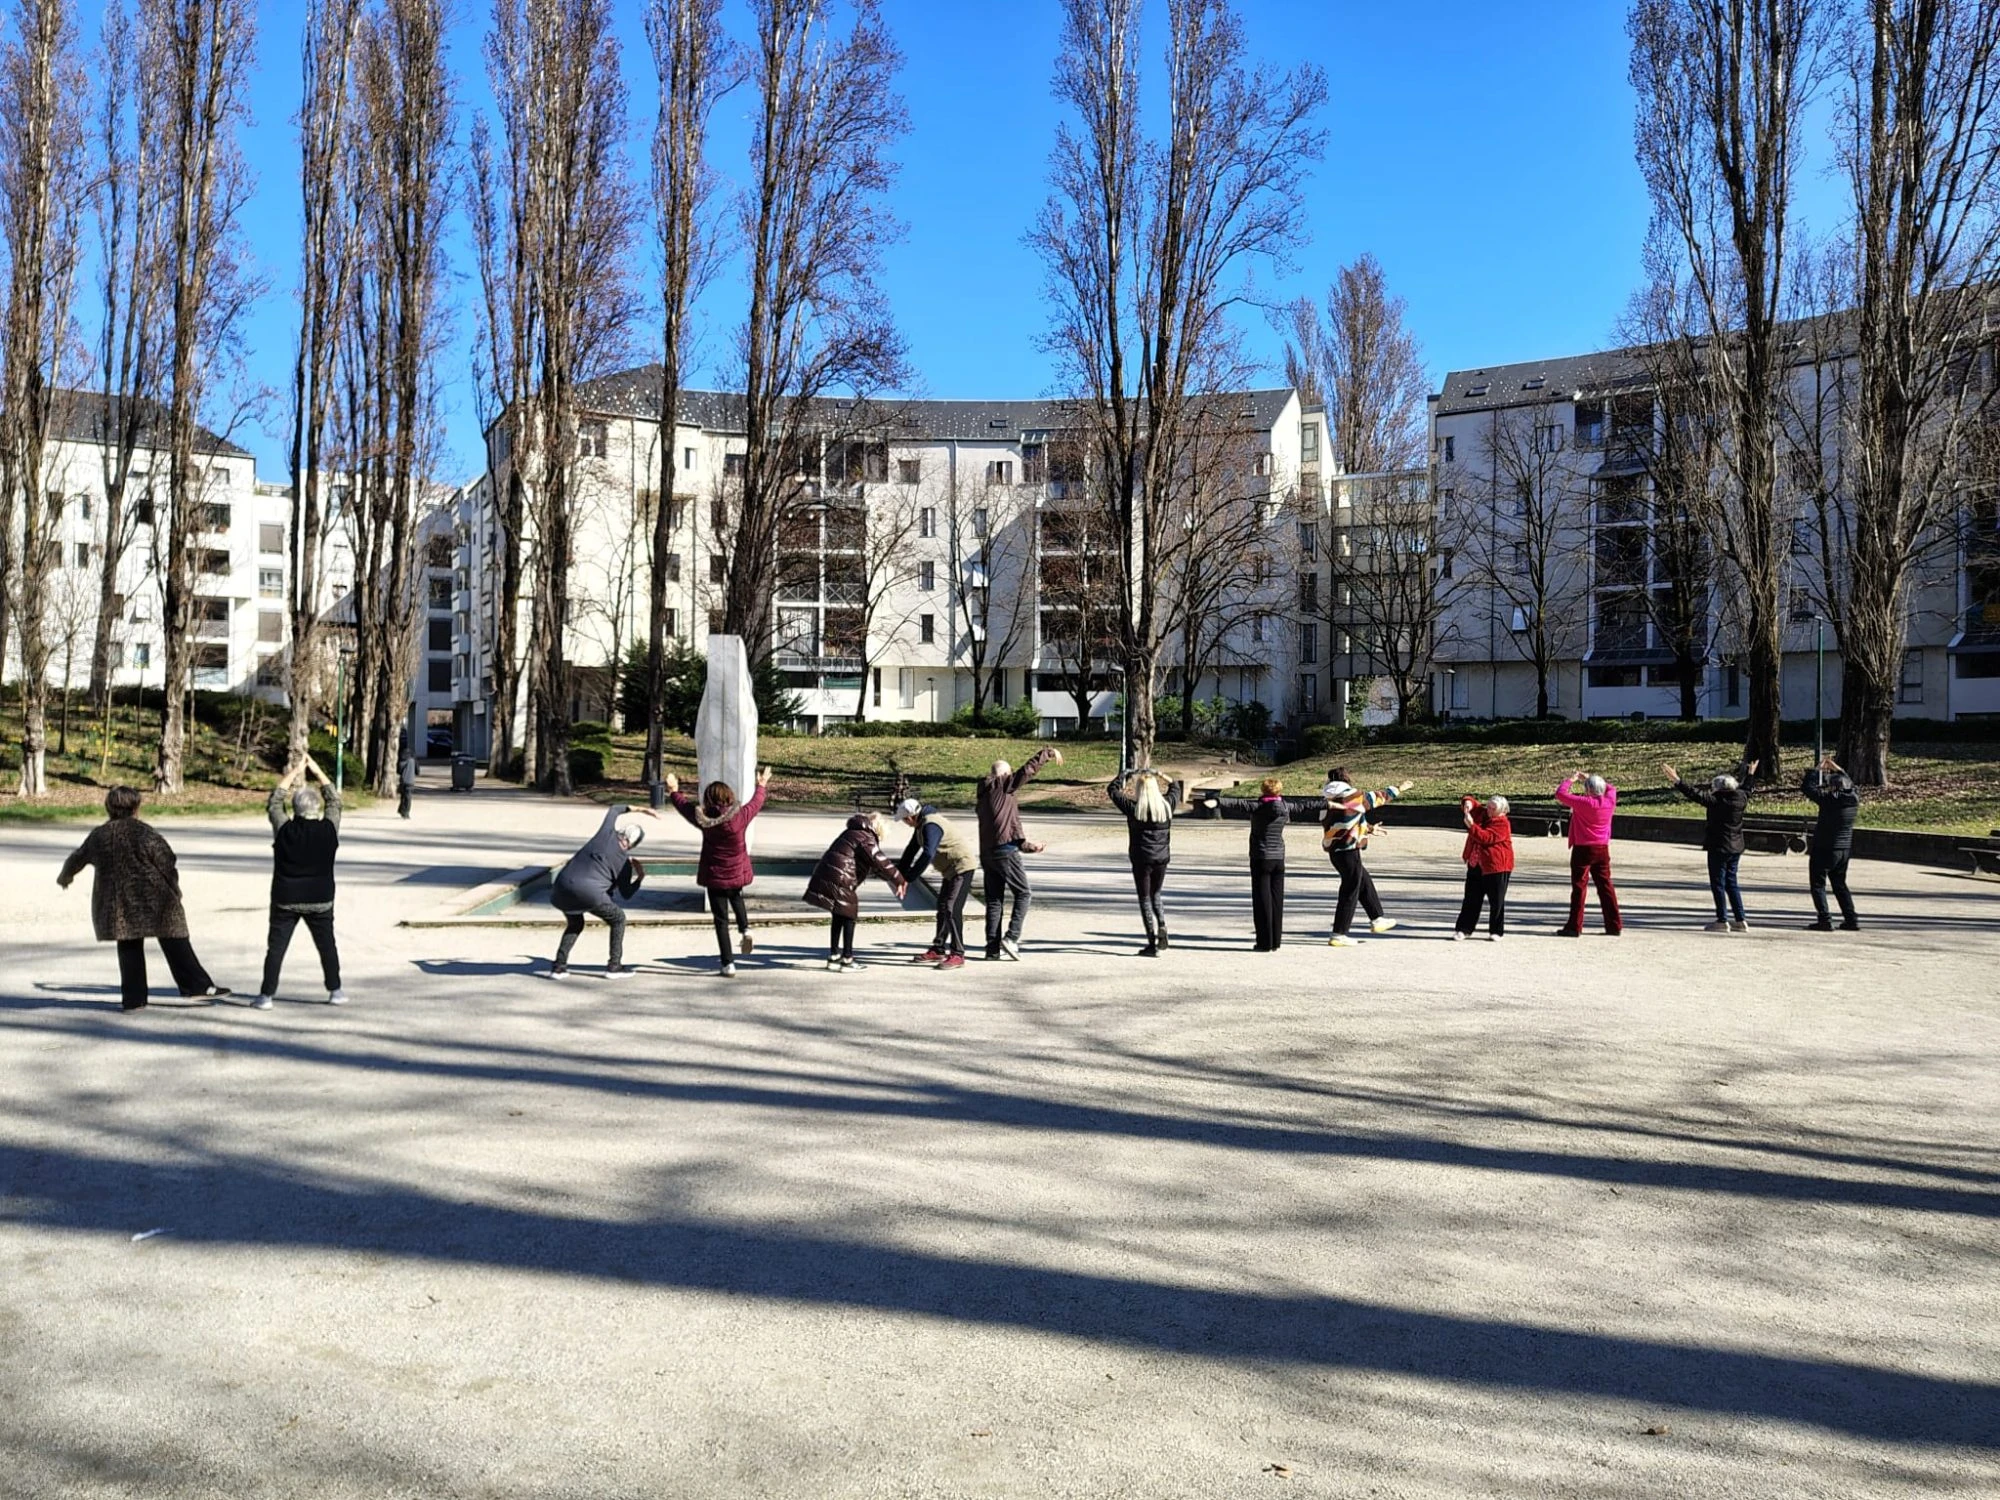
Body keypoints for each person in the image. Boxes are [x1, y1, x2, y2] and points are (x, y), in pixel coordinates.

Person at [56, 786, 231, 1011]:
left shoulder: (99, 835)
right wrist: (174, 887)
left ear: (108, 808)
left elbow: (76, 859)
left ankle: (134, 999)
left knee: (129, 945)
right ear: (135, 807)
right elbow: (166, 860)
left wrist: (65, 877)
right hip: (155, 898)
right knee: (175, 938)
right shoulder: (144, 832)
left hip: (119, 903)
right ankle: (196, 985)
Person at [253, 755, 346, 1008]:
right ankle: (335, 991)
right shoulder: (329, 829)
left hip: (286, 898)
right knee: (327, 946)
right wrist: (317, 770)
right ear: (317, 808)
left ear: (294, 808)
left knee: (276, 948)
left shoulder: (284, 829)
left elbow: (274, 802)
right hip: (320, 898)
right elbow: (335, 802)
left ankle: (266, 996)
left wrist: (294, 772)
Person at [668, 765, 771, 977]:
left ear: (708, 799)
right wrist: (761, 784)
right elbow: (756, 803)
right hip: (735, 872)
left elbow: (685, 807)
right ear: (728, 796)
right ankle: (745, 928)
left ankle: (728, 964)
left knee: (721, 921)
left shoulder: (703, 819)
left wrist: (674, 791)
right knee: (736, 896)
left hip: (714, 875)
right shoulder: (740, 816)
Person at [549, 802, 660, 979]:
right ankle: (614, 966)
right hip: (589, 893)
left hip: (561, 887)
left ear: (621, 832)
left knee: (575, 923)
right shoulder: (625, 864)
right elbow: (626, 894)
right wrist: (639, 877)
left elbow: (615, 809)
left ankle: (558, 967)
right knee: (618, 919)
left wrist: (642, 809)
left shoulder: (606, 833)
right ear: (633, 844)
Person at [976, 747, 1061, 960]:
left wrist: (1029, 846)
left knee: (994, 901)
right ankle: (1011, 938)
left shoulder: (984, 794)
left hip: (988, 854)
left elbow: (1004, 827)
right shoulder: (1003, 785)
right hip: (1005, 851)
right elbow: (1027, 770)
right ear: (1005, 774)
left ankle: (992, 949)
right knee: (1024, 893)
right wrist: (1048, 753)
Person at [1319, 768, 1413, 947]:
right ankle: (1339, 933)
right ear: (1347, 779)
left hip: (1335, 851)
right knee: (1350, 890)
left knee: (1363, 880)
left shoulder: (1326, 800)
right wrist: (1399, 788)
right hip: (1349, 849)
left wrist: (1368, 828)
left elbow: (1346, 819)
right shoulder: (1353, 796)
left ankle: (1377, 918)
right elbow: (1378, 797)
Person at [804, 811, 908, 970]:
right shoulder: (866, 837)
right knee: (849, 915)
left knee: (838, 914)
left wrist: (890, 880)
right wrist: (899, 879)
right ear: (877, 829)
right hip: (841, 878)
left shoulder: (852, 832)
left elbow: (874, 866)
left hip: (828, 873)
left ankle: (834, 956)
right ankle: (847, 959)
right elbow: (879, 860)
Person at [1665, 759, 1758, 932]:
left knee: (1718, 884)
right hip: (1736, 847)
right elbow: (1747, 787)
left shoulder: (1715, 801)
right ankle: (1741, 919)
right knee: (1732, 883)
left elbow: (1694, 793)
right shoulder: (1741, 798)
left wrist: (1677, 780)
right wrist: (1750, 774)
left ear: (1718, 789)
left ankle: (1722, 920)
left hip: (1718, 847)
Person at [896, 798, 978, 970]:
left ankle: (958, 954)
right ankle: (938, 949)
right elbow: (910, 851)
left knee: (951, 908)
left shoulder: (931, 825)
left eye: (904, 820)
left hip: (962, 867)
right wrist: (899, 876)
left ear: (910, 817)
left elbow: (928, 854)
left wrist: (910, 878)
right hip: (950, 870)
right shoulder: (921, 825)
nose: (905, 823)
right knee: (942, 907)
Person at [1107, 768, 1175, 955]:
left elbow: (1112, 790)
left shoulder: (1134, 809)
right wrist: (1160, 774)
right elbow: (1175, 787)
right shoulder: (1167, 806)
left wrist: (1124, 775)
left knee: (1144, 898)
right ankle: (1162, 923)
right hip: (1161, 857)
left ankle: (1152, 943)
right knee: (1156, 894)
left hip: (1141, 858)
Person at [1554, 771, 1622, 937]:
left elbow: (1560, 794)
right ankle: (1614, 925)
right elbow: (1612, 789)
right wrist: (1591, 777)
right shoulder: (1610, 801)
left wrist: (1571, 779)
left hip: (1583, 848)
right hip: (1602, 848)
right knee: (1606, 886)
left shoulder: (1584, 803)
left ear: (1588, 790)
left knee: (1579, 887)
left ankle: (1574, 926)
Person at [1800, 752, 1861, 931]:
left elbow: (1807, 787)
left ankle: (1824, 919)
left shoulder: (1829, 801)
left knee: (1818, 884)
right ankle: (1851, 918)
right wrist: (1838, 769)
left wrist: (1816, 769)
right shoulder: (1854, 799)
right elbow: (1850, 783)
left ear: (1833, 788)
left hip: (1825, 847)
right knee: (1840, 885)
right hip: (1844, 849)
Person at [1453, 795, 1514, 940]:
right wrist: (1468, 803)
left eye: (1494, 808)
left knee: (1496, 901)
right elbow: (1472, 802)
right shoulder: (1483, 813)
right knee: (1471, 899)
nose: (1489, 810)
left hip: (1497, 866)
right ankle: (1464, 929)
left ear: (1503, 811)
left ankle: (1496, 931)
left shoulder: (1502, 823)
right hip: (1475, 863)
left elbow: (1486, 838)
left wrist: (1471, 826)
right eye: (1489, 807)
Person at [1244, 777, 1290, 951]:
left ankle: (1264, 942)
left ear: (1263, 790)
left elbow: (1236, 804)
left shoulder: (1258, 806)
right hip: (1278, 857)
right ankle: (1276, 941)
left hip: (1261, 856)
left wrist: (1217, 801)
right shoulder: (1285, 806)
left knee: (1262, 901)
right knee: (1277, 901)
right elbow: (1307, 805)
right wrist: (1328, 804)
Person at [396, 731, 417, 820]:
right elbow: (417, 770)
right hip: (410, 781)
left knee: (403, 796)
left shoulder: (401, 761)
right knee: (408, 798)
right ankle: (406, 812)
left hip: (403, 780)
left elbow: (398, 771)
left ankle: (401, 810)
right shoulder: (413, 760)